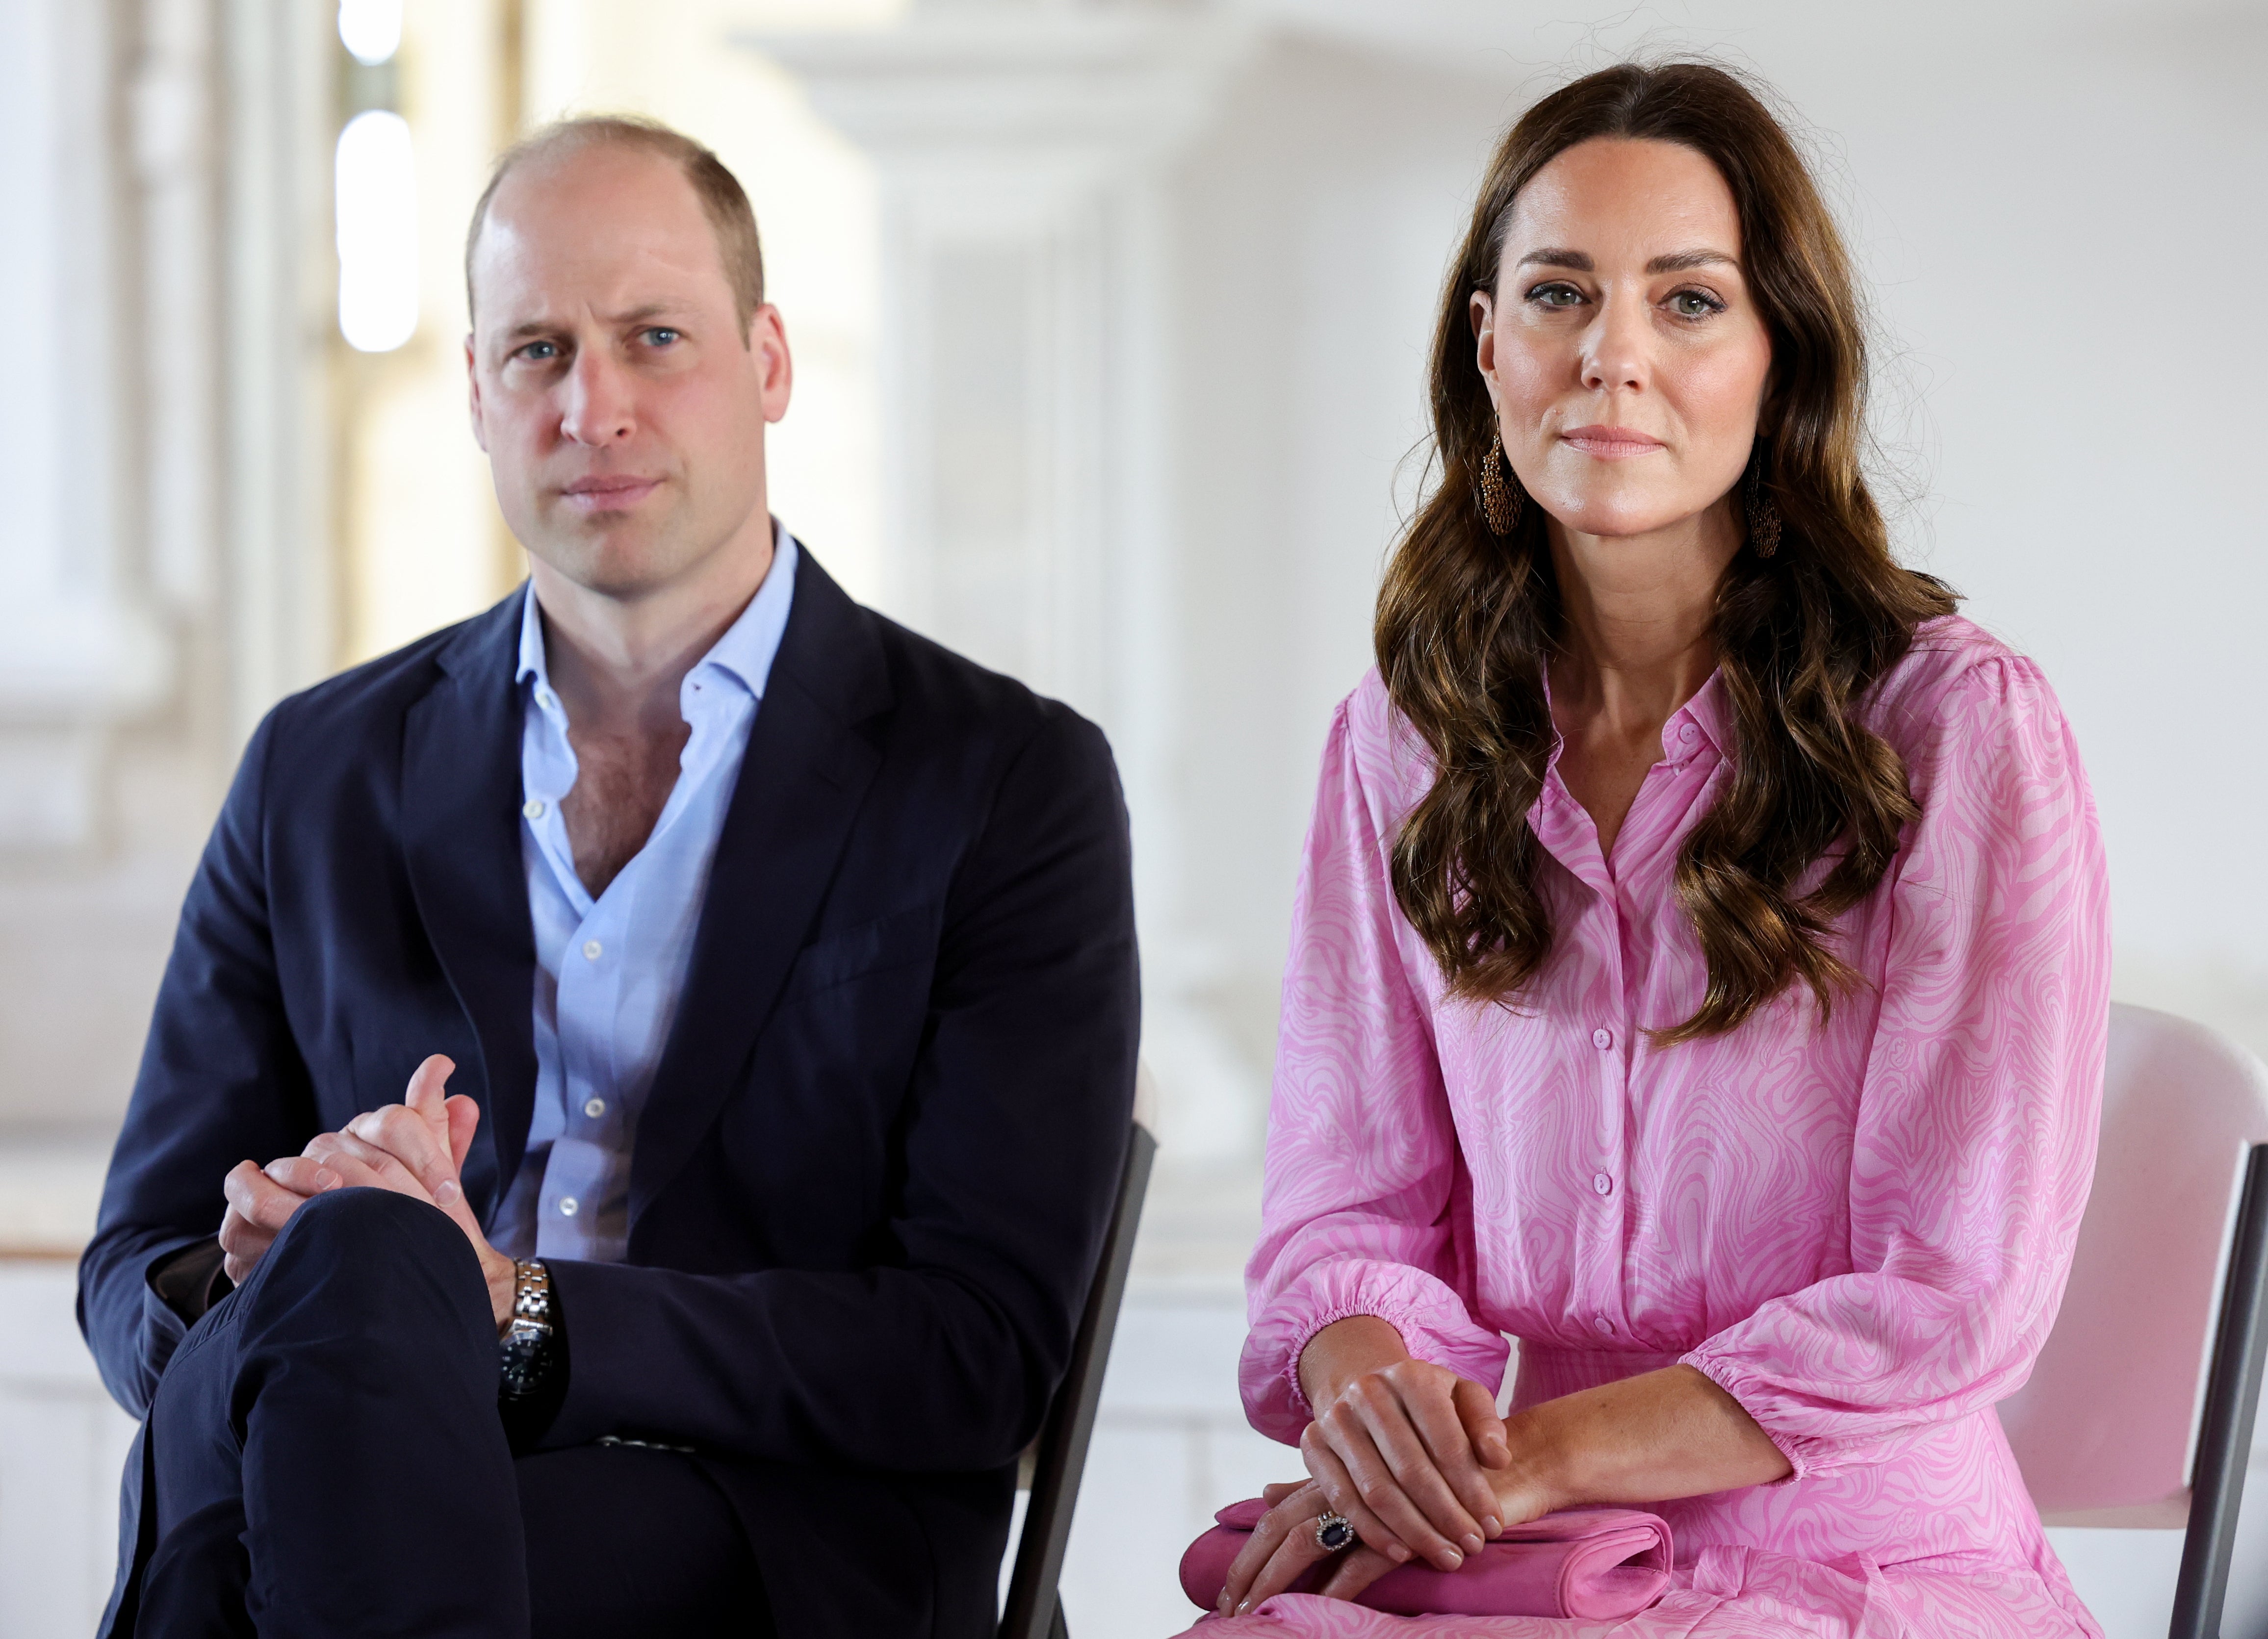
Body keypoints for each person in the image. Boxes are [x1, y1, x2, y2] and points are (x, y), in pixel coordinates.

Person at [78, 116, 1139, 1639]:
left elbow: (971, 1352)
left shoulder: (1003, 780)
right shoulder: (313, 769)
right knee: (352, 1264)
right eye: (536, 351)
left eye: (655, 338)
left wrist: (508, 1308)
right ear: (474, 390)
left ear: (768, 361)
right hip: (339, 1457)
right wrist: (255, 1264)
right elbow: (135, 1265)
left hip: (770, 1525)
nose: (594, 405)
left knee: (292, 1481)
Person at [1197, 61, 2108, 1638]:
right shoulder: (1400, 741)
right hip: (1516, 1548)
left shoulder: (1959, 729)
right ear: (1489, 347)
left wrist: (1532, 1457)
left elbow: (1948, 1294)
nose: (1612, 353)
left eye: (1688, 302)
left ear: (1778, 359)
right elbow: (1345, 1208)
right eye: (1559, 293)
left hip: (1857, 1559)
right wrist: (1375, 1406)